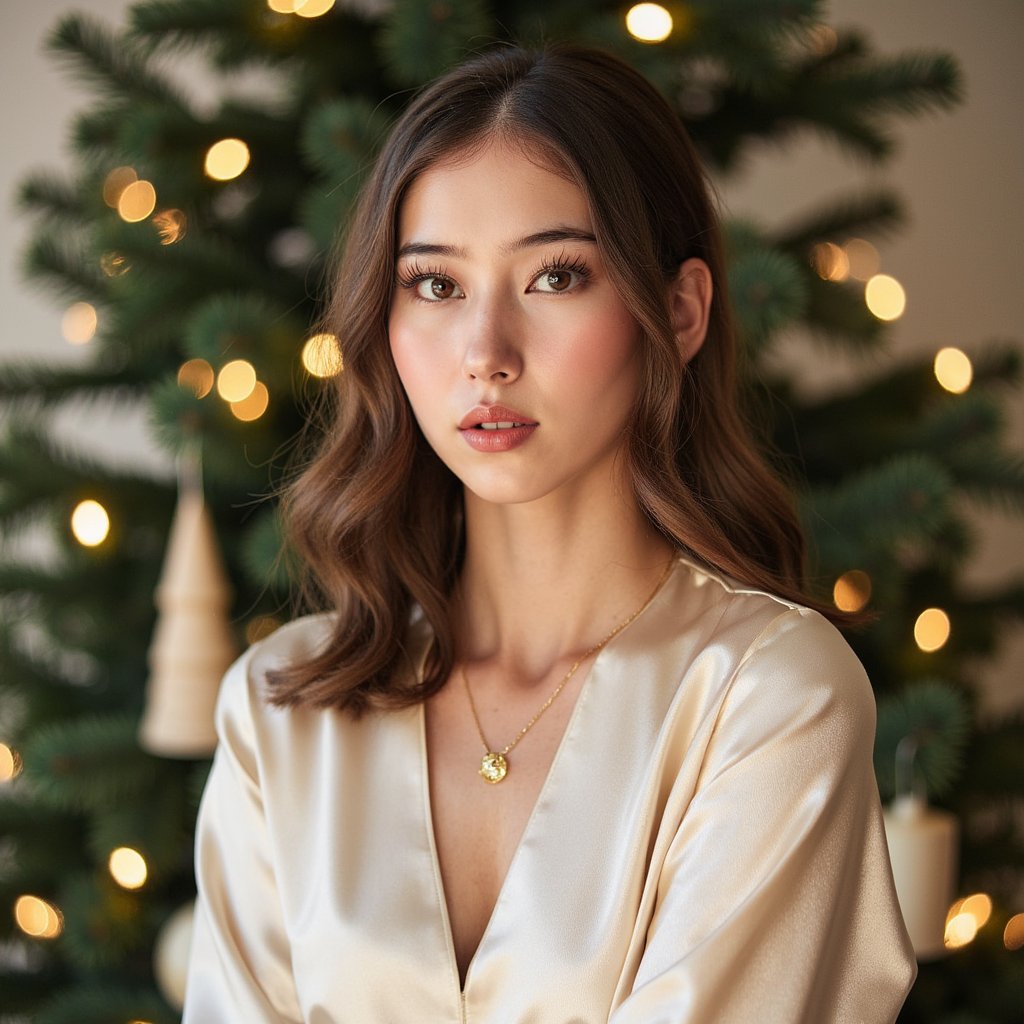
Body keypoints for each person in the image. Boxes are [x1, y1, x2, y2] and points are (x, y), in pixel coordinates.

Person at [183, 44, 916, 1023]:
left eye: (556, 276)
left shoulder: (772, 698)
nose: (486, 355)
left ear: (678, 308)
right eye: (436, 286)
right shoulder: (281, 712)